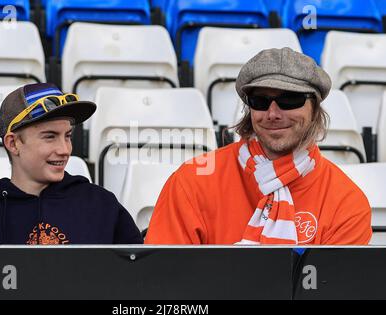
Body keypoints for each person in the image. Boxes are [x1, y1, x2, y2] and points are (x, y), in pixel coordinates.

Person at [145, 47, 372, 245]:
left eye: (289, 100)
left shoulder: (346, 202)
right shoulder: (192, 181)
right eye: (260, 101)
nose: (273, 113)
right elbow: (164, 281)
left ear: (315, 109)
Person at [0, 83, 143, 244]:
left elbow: (140, 280)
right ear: (13, 143)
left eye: (68, 136)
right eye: (50, 136)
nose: (64, 149)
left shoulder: (102, 205)